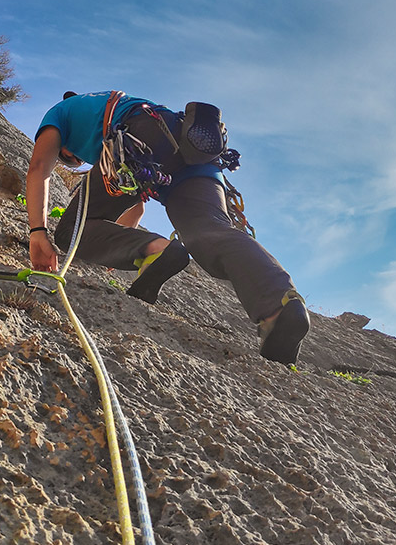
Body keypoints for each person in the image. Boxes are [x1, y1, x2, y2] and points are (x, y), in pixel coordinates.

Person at [25, 90, 310, 364]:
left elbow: (39, 168)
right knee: (211, 232)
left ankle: (157, 250)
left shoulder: (60, 112)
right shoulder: (107, 103)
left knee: (69, 231)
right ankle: (279, 308)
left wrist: (38, 232)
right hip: (192, 147)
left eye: (69, 157)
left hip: (140, 139)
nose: (75, 160)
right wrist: (113, 249)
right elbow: (135, 205)